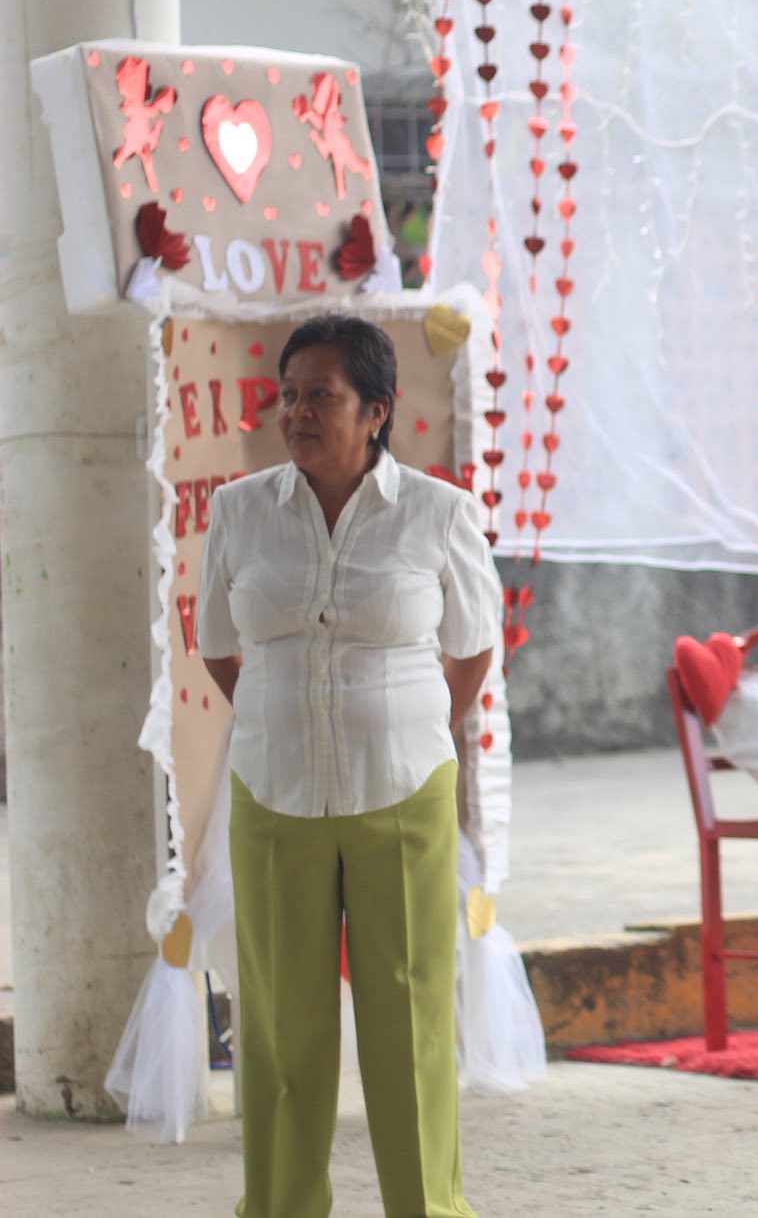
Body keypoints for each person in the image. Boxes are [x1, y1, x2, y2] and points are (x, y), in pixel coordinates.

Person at [199, 314, 499, 1217]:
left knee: (409, 1022)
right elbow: (217, 645)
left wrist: (418, 726)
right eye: (288, 395)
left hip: (403, 791)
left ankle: (429, 1208)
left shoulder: (439, 514)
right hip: (273, 791)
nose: (297, 413)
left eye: (320, 396)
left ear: (376, 410)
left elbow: (472, 647)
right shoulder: (238, 511)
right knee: (281, 1031)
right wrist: (281, 714)